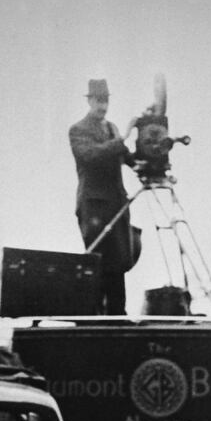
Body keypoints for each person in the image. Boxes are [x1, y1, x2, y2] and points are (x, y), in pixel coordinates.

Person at [68, 79, 137, 315]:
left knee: (117, 264)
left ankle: (118, 315)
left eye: (106, 100)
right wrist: (123, 138)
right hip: (94, 207)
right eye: (98, 100)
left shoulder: (112, 129)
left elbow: (129, 159)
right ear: (90, 101)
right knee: (97, 262)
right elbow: (91, 156)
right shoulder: (78, 130)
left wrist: (151, 156)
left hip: (116, 205)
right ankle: (94, 317)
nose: (103, 106)